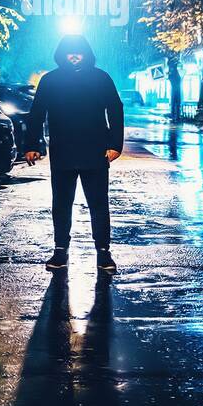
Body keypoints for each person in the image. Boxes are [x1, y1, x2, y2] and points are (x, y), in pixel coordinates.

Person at [24, 33, 125, 274]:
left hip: (96, 151)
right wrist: (32, 145)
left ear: (86, 53)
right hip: (63, 151)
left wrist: (115, 145)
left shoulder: (101, 78)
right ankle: (60, 250)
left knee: (98, 204)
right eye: (70, 52)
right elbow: (36, 113)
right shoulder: (50, 81)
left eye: (78, 51)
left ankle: (103, 252)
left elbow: (115, 109)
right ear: (62, 54)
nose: (74, 56)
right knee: (61, 204)